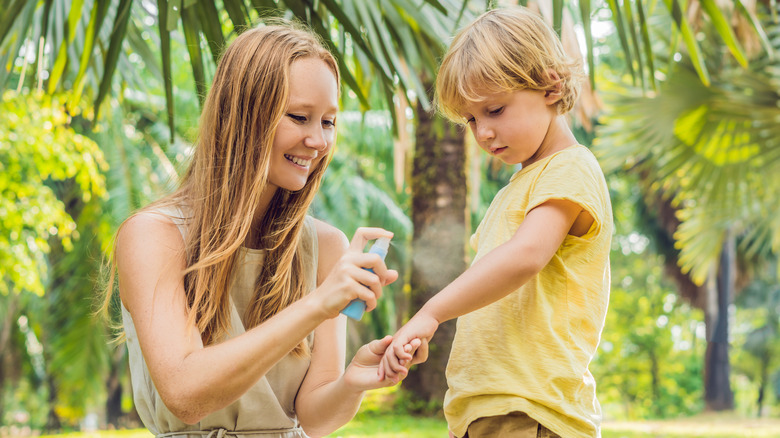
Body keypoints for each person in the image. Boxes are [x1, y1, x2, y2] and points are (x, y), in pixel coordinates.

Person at [100, 22, 420, 438]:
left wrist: (355, 380)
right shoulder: (154, 236)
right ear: (242, 115)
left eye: (328, 121)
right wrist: (320, 303)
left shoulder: (323, 246)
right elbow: (185, 392)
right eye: (300, 117)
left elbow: (314, 416)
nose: (319, 141)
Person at [379, 6, 612, 438]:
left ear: (549, 84)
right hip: (484, 410)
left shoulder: (570, 168)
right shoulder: (517, 188)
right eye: (471, 119)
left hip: (531, 411)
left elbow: (525, 257)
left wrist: (431, 313)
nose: (483, 132)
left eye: (495, 110)